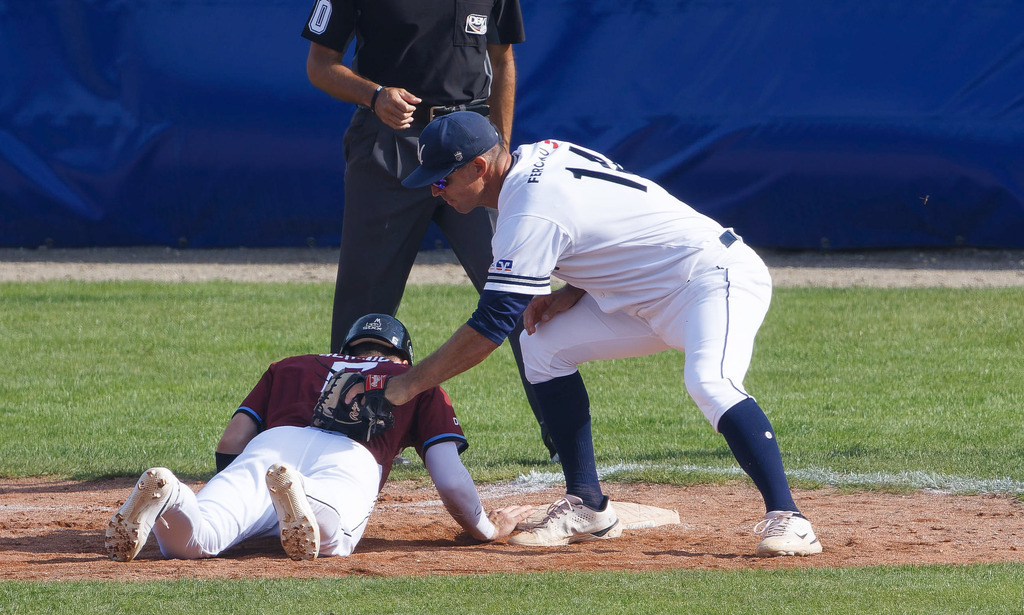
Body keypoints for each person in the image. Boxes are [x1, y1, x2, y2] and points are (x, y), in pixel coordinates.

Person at [368, 111, 823, 556]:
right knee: (541, 346)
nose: (435, 189)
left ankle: (791, 519)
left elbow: (490, 326)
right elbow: (612, 216)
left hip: (711, 279)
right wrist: (574, 288)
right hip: (642, 296)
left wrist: (404, 387)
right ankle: (588, 505)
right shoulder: (545, 153)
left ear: (479, 167)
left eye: (442, 178)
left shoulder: (529, 211)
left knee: (710, 382)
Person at [299, 0, 557, 463]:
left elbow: (502, 59)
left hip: (473, 148)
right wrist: (374, 94)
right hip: (390, 148)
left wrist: (499, 145)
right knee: (364, 311)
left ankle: (564, 438)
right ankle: (343, 440)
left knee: (523, 295)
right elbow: (321, 65)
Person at [105, 314, 533, 562]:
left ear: (347, 349)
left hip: (269, 448)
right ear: (403, 357)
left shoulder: (293, 365)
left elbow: (232, 438)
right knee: (332, 541)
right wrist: (485, 527)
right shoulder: (414, 378)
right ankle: (300, 496)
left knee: (199, 542)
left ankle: (172, 492)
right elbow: (449, 476)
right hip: (351, 459)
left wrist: (240, 489)